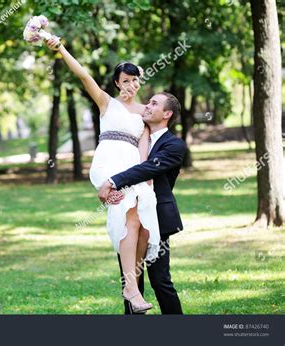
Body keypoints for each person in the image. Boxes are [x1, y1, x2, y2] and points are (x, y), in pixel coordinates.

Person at [46, 36, 160, 313]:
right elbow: (83, 75)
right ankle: (131, 289)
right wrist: (61, 47)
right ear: (117, 83)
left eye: (135, 80)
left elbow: (144, 148)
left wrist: (148, 182)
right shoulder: (107, 103)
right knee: (129, 219)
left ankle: (131, 286)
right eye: (125, 80)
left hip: (133, 166)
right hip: (110, 163)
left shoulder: (144, 112)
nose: (131, 85)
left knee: (142, 226)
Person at [98, 92, 187, 314]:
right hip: (129, 215)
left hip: (157, 218)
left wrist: (113, 181)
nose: (147, 106)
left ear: (167, 114)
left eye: (154, 103)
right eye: (148, 102)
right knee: (131, 282)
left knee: (161, 282)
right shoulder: (133, 139)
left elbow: (147, 169)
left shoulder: (174, 145)